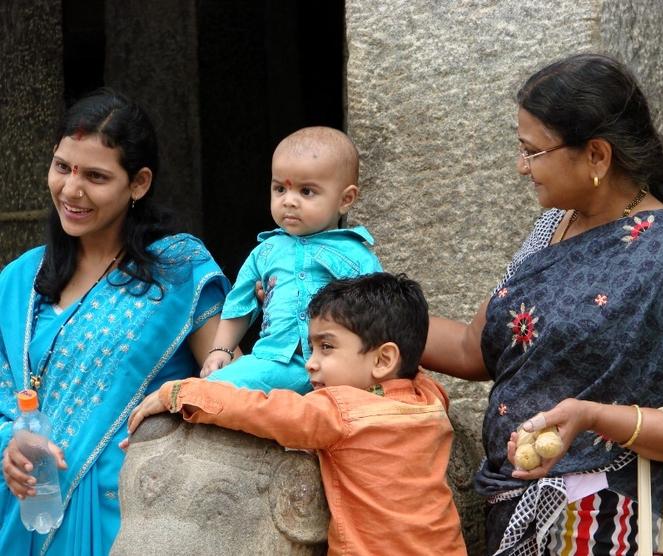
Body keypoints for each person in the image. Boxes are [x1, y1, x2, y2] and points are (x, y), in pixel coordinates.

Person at [421, 53, 663, 555]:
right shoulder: (551, 229)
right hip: (520, 514)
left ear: (597, 155)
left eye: (533, 151)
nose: (521, 167)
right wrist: (364, 316)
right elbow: (473, 349)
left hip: (618, 525)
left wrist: (594, 417)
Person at [0, 89, 230, 555]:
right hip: (24, 506)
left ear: (139, 183)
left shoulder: (178, 270)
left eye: (96, 176)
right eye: (62, 167)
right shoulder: (20, 279)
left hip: (130, 513)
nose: (71, 190)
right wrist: (10, 441)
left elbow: (225, 380)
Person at [125, 272, 468, 555]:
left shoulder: (339, 412)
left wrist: (179, 392)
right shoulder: (429, 399)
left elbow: (261, 411)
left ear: (383, 360)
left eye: (326, 347)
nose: (310, 363)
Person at [200, 126, 382, 394]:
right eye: (280, 189)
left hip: (340, 367)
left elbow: (381, 310)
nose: (289, 201)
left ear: (345, 199)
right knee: (216, 387)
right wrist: (220, 349)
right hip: (277, 360)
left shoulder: (356, 254)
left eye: (306, 191)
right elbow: (240, 304)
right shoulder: (265, 251)